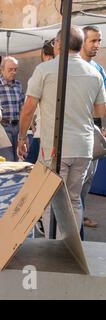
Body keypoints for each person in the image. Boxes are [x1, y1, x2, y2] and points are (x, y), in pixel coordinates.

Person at [18, 26, 106, 238]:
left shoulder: (46, 70)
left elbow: (29, 107)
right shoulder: (94, 72)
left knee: (51, 199)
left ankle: (54, 250)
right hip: (84, 148)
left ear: (58, 44)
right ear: (80, 45)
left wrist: (22, 137)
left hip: (55, 147)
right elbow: (101, 111)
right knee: (74, 200)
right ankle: (72, 250)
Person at [80, 25, 106, 230]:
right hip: (76, 132)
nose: (97, 45)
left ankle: (79, 216)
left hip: (94, 131)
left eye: (99, 41)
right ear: (82, 42)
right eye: (93, 41)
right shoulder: (72, 66)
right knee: (73, 185)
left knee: (87, 181)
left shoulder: (99, 69)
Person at [25, 39, 56, 165]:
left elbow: (29, 107)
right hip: (57, 136)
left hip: (42, 134)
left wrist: (22, 136)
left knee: (30, 171)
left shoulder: (39, 74)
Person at [0, 56, 25, 161]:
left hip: (17, 126)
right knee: (8, 160)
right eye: (10, 70)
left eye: (15, 69)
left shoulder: (18, 85)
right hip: (3, 127)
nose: (13, 72)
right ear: (1, 69)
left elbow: (22, 108)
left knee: (16, 160)